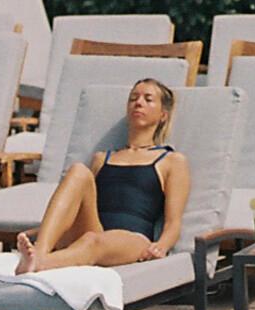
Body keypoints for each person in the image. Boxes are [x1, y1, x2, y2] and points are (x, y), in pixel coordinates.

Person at [15, 77, 189, 274]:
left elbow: (173, 222)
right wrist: (41, 231)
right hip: (94, 229)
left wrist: (162, 246)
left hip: (132, 238)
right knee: (78, 171)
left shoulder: (172, 160)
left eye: (148, 99)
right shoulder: (102, 158)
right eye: (133, 98)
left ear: (163, 115)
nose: (138, 103)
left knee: (92, 241)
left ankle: (40, 263)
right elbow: (78, 206)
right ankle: (40, 252)